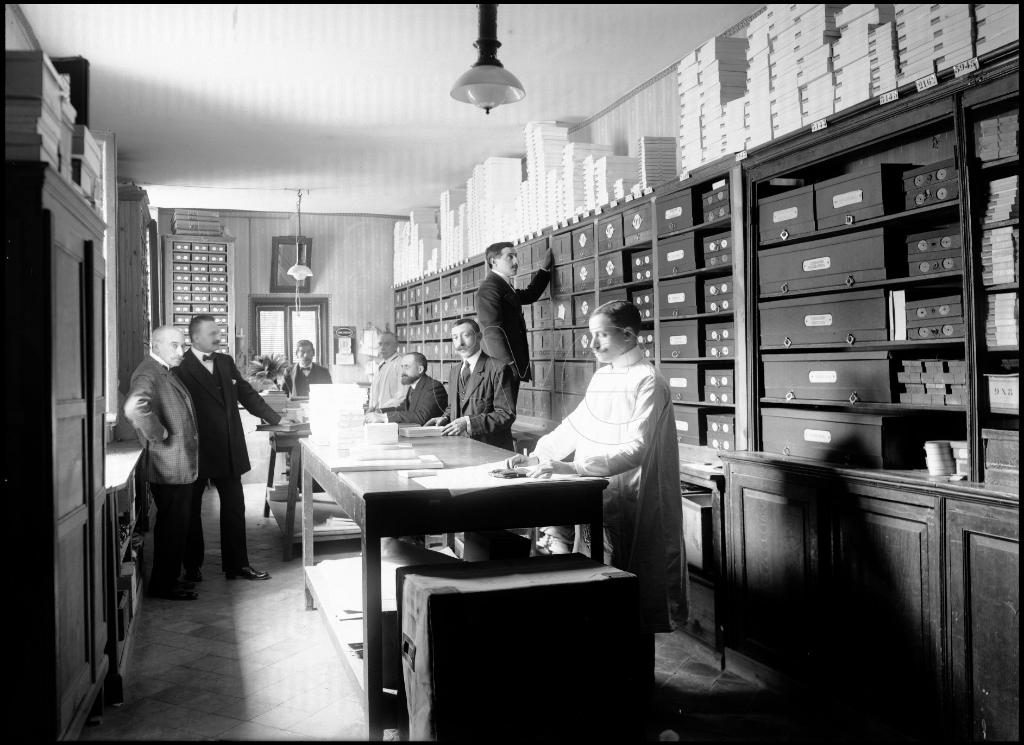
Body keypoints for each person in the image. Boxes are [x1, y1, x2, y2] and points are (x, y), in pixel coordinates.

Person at [506, 300, 687, 694]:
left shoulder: (648, 380)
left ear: (628, 334)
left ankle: (638, 684)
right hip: (601, 492)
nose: (593, 343)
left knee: (633, 589)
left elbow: (637, 448)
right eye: (591, 334)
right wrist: (542, 453)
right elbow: (577, 424)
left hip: (638, 495)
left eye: (601, 334)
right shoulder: (604, 377)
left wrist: (575, 468)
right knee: (601, 582)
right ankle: (606, 678)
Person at [174, 314, 283, 581]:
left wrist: (277, 418)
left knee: (235, 506)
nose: (218, 336)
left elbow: (246, 393)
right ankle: (192, 566)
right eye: (212, 333)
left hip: (228, 447)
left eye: (218, 331)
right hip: (196, 449)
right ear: (195, 337)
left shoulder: (225, 361)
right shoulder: (179, 366)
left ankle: (238, 565)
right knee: (191, 510)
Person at [123, 326, 201, 601]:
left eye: (183, 345)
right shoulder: (149, 372)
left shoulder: (163, 370)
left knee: (175, 527)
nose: (181, 351)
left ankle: (168, 580)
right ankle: (164, 585)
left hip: (176, 463)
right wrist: (159, 433)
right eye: (174, 345)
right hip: (169, 463)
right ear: (155, 345)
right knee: (171, 528)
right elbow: (134, 407)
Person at [425, 318, 517, 451]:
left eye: (466, 336)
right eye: (455, 338)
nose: (460, 343)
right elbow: (453, 407)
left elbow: (506, 414)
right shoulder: (455, 371)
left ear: (479, 337)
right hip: (459, 448)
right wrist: (444, 418)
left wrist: (468, 423)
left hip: (490, 450)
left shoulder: (499, 369)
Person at [475, 241, 554, 389]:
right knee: (503, 410)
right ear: (494, 261)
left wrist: (544, 269)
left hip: (508, 364)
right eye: (509, 257)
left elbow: (529, 295)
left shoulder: (502, 285)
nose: (516, 261)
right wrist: (508, 366)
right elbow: (491, 332)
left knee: (506, 410)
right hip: (502, 366)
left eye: (516, 256)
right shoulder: (490, 288)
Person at [364, 352, 447, 425]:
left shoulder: (433, 387)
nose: (402, 371)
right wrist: (380, 411)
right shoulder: (414, 386)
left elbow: (421, 417)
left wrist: (384, 417)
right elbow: (403, 408)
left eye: (406, 367)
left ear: (420, 369)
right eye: (402, 367)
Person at [366, 331, 408, 412]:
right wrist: (372, 406)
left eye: (387, 344)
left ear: (396, 346)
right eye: (380, 344)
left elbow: (402, 394)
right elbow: (375, 391)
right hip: (377, 412)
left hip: (391, 413)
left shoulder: (401, 365)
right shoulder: (381, 364)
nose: (382, 348)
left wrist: (383, 409)